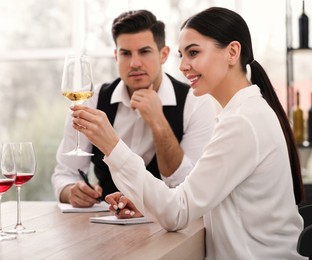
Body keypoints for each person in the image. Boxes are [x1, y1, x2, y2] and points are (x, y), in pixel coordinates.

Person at [71, 7, 305, 259]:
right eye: (182, 55)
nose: (182, 66)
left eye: (193, 53)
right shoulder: (246, 112)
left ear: (232, 52)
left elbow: (177, 213)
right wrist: (147, 206)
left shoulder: (242, 122)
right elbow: (198, 199)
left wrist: (112, 145)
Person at [51, 10, 216, 208]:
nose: (134, 63)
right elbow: (64, 174)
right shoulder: (92, 101)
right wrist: (70, 192)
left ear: (163, 54)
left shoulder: (196, 103)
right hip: (105, 222)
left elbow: (187, 187)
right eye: (126, 53)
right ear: (116, 56)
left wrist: (158, 122)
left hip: (167, 225)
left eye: (144, 52)